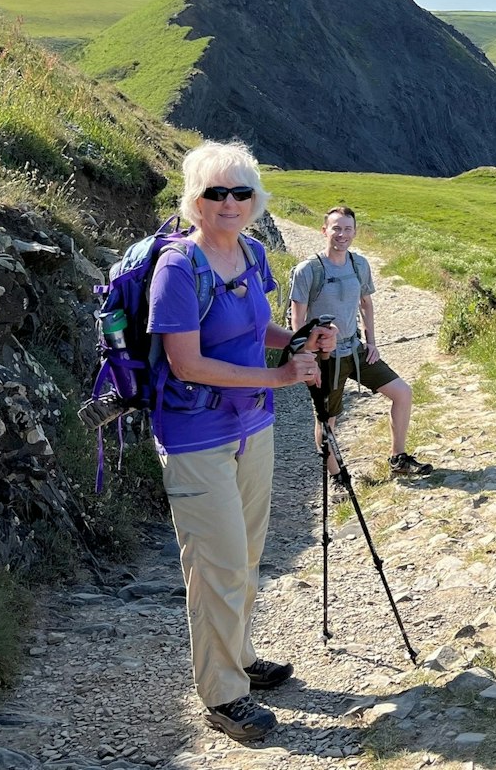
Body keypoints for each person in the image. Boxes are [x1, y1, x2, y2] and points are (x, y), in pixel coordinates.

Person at [147, 140, 334, 742]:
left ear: (256, 201)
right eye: (215, 192)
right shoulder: (179, 268)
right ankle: (224, 696)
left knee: (246, 555)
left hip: (252, 427)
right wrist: (280, 376)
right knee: (218, 565)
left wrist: (297, 341)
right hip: (197, 434)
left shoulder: (252, 255)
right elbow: (187, 363)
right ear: (194, 201)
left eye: (242, 192)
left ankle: (241, 655)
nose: (230, 202)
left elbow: (257, 330)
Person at [289, 206, 434, 479]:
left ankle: (398, 458)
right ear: (324, 231)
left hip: (355, 349)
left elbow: (366, 304)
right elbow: (297, 320)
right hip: (325, 356)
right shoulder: (308, 270)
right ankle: (336, 477)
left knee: (402, 393)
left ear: (354, 232)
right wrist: (307, 358)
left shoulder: (359, 265)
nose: (342, 234)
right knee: (326, 419)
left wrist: (372, 342)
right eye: (336, 228)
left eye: (347, 229)